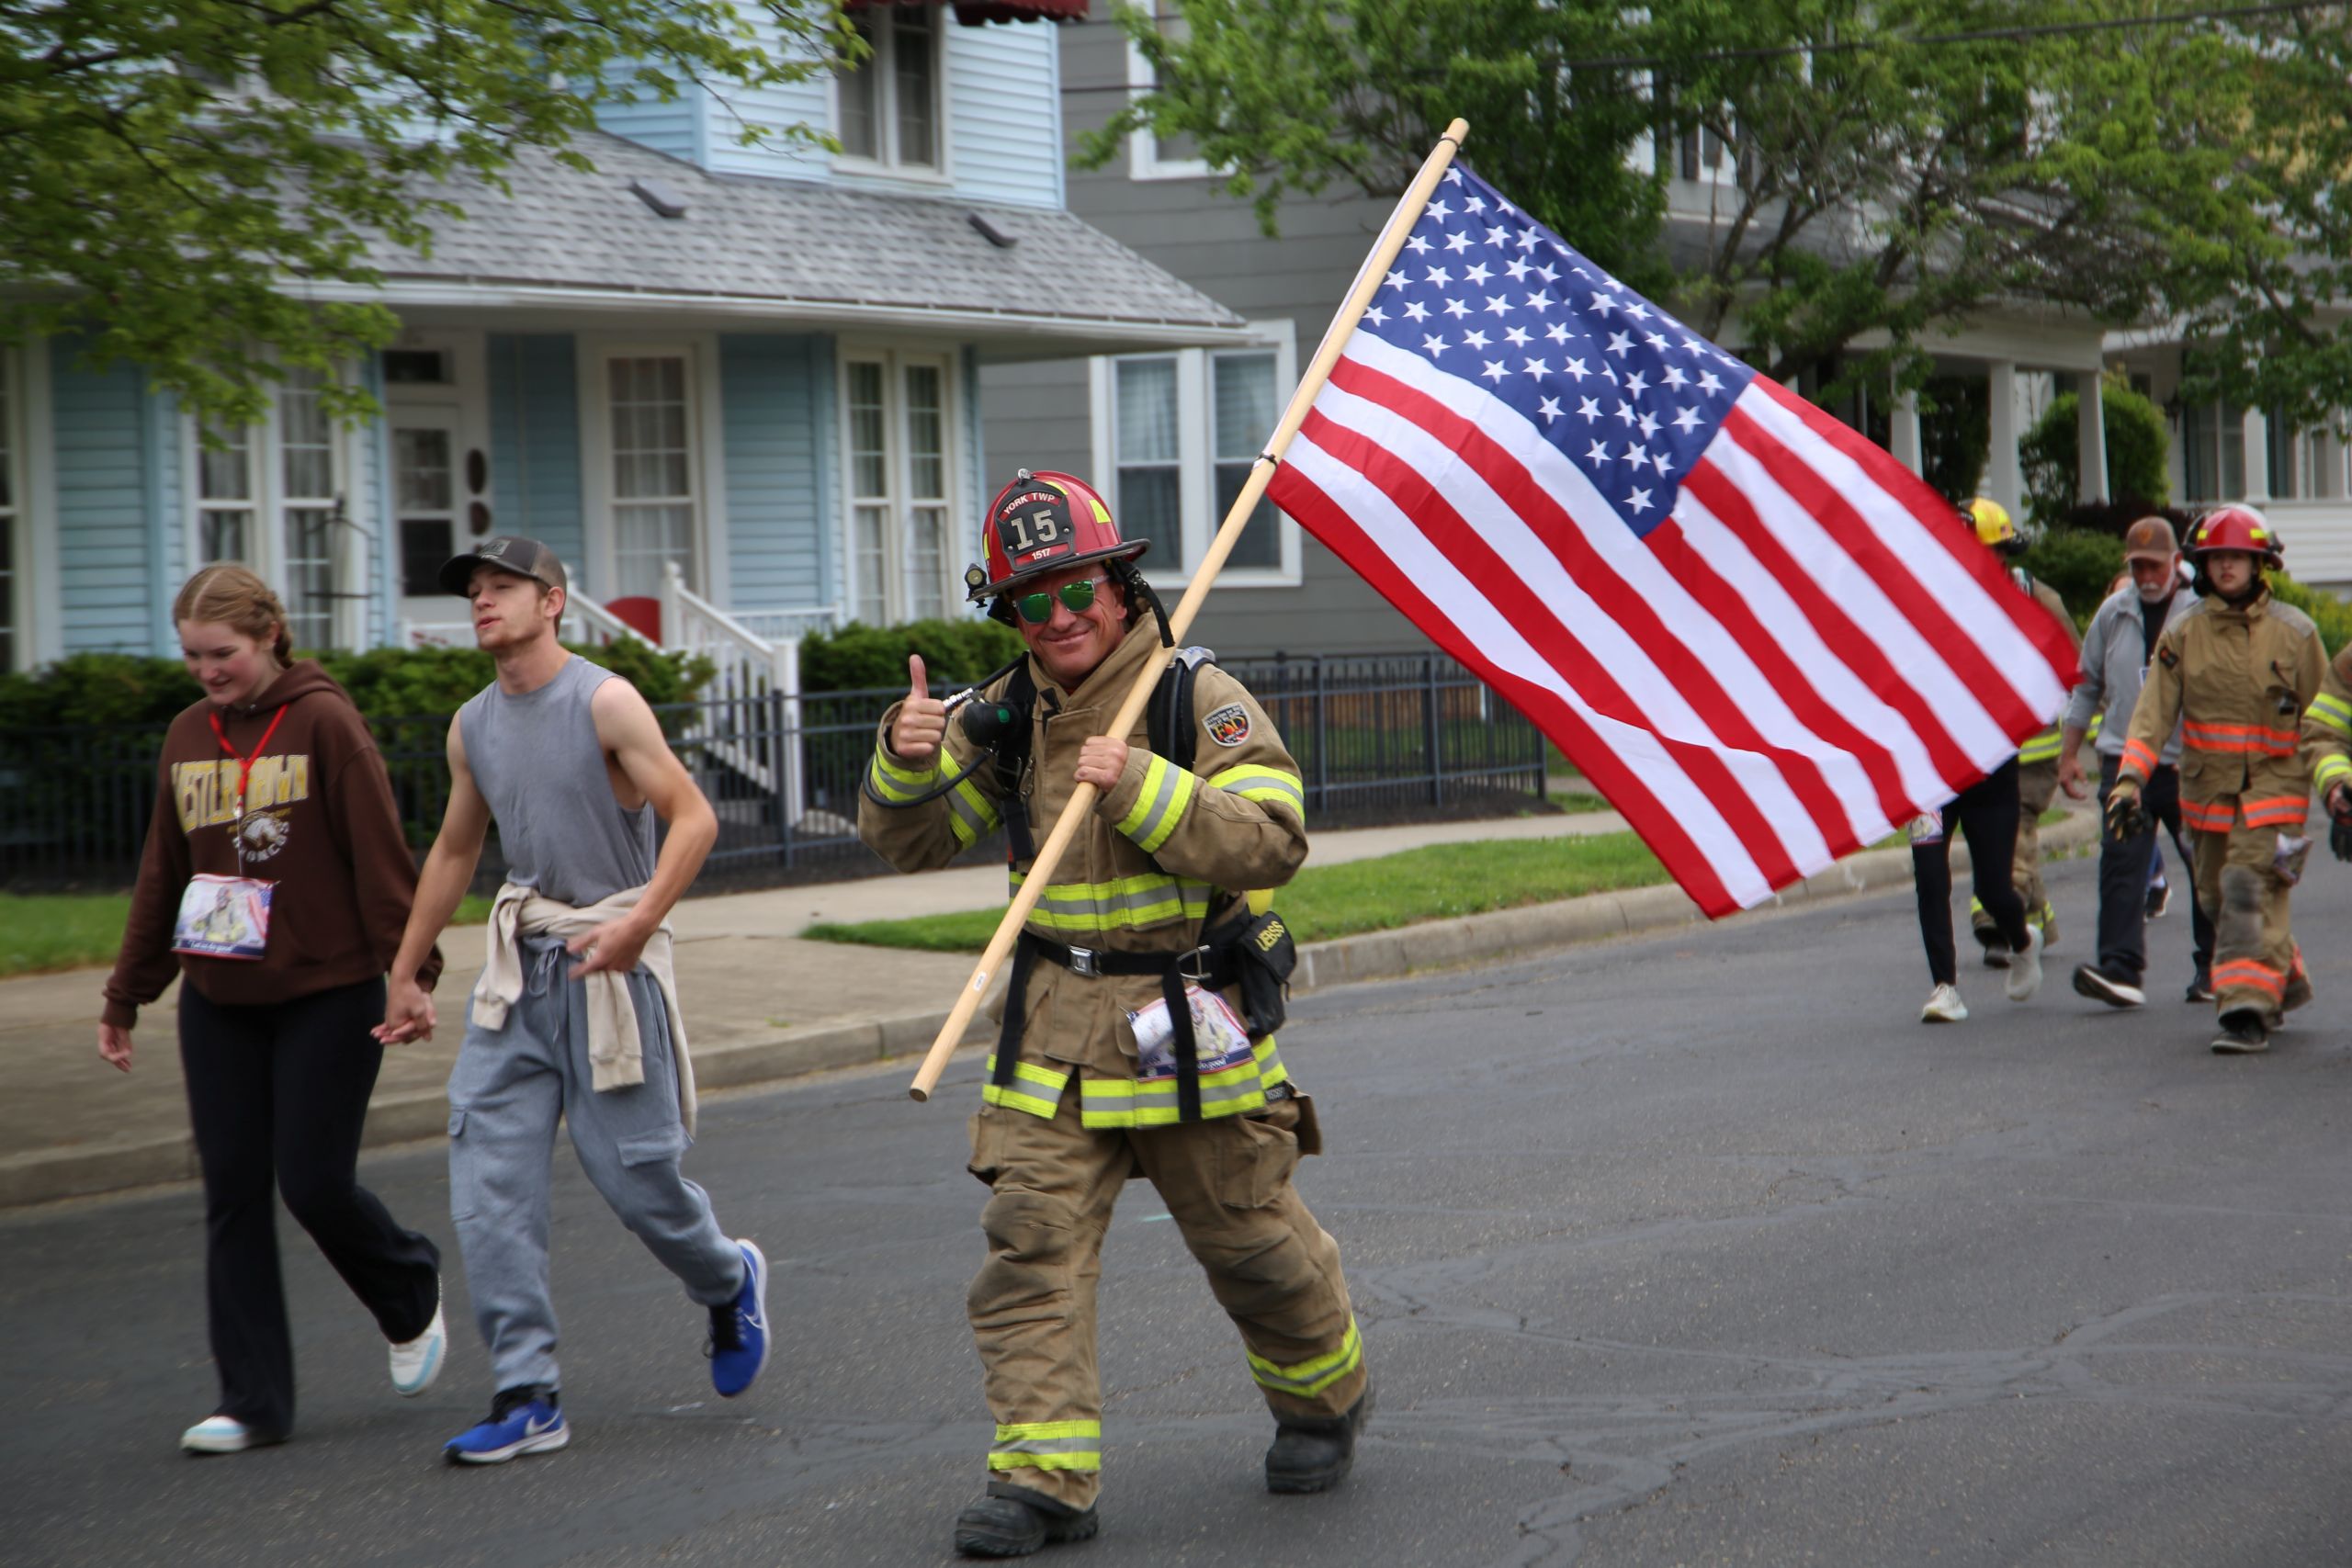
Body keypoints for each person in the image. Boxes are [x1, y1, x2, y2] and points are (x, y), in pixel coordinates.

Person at [860, 470, 1369, 1558]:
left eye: (1077, 586)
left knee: (1250, 1242)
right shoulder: (1000, 714)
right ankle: (1045, 1480)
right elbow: (913, 839)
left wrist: (1141, 783)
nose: (1060, 616)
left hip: (1190, 1026)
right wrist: (902, 763)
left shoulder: (1195, 695)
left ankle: (1324, 1399)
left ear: (1119, 581)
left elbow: (1272, 835)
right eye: (1031, 600)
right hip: (1050, 1032)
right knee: (1030, 1250)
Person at [373, 536, 768, 1463]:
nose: (482, 601)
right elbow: (457, 850)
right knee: (489, 1184)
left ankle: (725, 1279)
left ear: (553, 601)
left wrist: (635, 929)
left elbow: (694, 817)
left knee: (641, 1186)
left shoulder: (604, 699)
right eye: (473, 591)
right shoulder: (473, 723)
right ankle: (528, 1391)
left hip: (608, 967)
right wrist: (408, 964)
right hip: (518, 977)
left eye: (501, 587)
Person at [100, 565, 447, 1455]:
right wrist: (128, 994)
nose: (208, 671)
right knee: (233, 1195)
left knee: (314, 1181)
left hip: (327, 993)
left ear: (266, 638)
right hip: (220, 995)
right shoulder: (187, 735)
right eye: (192, 656)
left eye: (223, 654)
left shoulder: (325, 721)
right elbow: (163, 870)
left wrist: (411, 973)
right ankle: (252, 1402)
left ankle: (408, 1288)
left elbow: (381, 856)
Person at [2109, 505, 2323, 1053]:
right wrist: (2129, 781)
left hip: (2276, 793)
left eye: (2238, 557)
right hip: (2206, 796)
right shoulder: (2184, 635)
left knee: (2248, 888)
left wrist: (2338, 790)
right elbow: (2152, 714)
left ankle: (2243, 1013)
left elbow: (2328, 721)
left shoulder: (2296, 635)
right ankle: (2283, 973)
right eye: (2218, 558)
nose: (2227, 567)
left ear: (2260, 563)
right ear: (2202, 566)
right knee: (2216, 898)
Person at [2060, 517, 2215, 1007]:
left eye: (2154, 565)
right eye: (2137, 566)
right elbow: (2087, 686)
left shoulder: (2200, 611)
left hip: (2187, 766)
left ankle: (2213, 967)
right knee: (2122, 865)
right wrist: (2069, 755)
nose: (2146, 575)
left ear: (2176, 563)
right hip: (2125, 765)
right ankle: (2120, 969)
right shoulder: (2113, 613)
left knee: (2205, 867)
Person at [1965, 498, 2079, 964]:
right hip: (1980, 752)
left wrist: (2076, 747)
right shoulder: (1950, 604)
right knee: (2004, 840)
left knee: (2017, 833)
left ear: (2003, 552)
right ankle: (2038, 915)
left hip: (2032, 752)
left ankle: (1993, 921)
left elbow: (2077, 669)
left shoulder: (2038, 601)